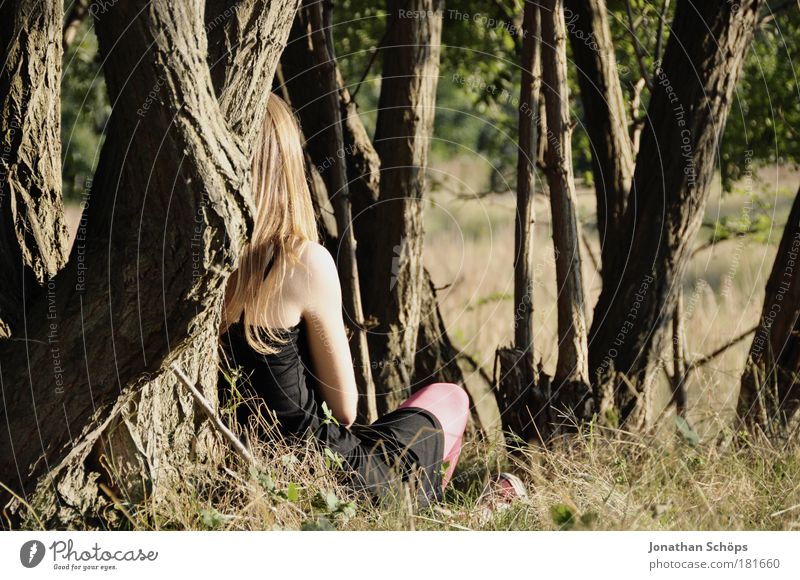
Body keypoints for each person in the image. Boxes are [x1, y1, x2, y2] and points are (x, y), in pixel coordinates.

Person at [217, 94, 470, 508]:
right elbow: (345, 408)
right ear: (284, 165)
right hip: (326, 477)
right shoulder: (301, 261)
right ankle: (436, 508)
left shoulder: (190, 265)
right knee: (450, 398)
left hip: (248, 472)